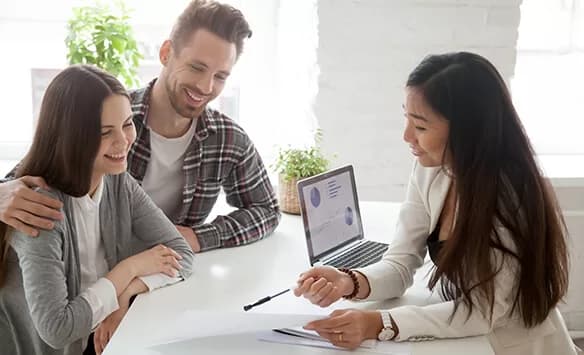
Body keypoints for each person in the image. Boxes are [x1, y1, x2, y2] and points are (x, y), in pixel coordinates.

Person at [293, 52, 578, 355]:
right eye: (407, 118)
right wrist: (349, 281)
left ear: (467, 133)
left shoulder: (507, 198)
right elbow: (400, 262)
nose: (406, 136)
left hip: (512, 345)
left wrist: (376, 323)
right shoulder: (432, 170)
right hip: (467, 336)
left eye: (421, 127)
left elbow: (483, 312)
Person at [0, 0, 280, 253]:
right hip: (93, 282)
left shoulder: (227, 140)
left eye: (220, 76)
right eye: (196, 67)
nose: (206, 87)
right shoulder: (108, 117)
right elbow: (22, 178)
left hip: (163, 277)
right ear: (166, 53)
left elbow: (267, 210)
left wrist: (199, 237)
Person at [0, 65, 194, 355]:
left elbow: (181, 254)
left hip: (102, 337)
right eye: (105, 132)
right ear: (70, 136)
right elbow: (58, 329)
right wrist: (128, 269)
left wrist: (126, 293)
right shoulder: (37, 205)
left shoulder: (117, 181)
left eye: (127, 124)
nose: (123, 142)